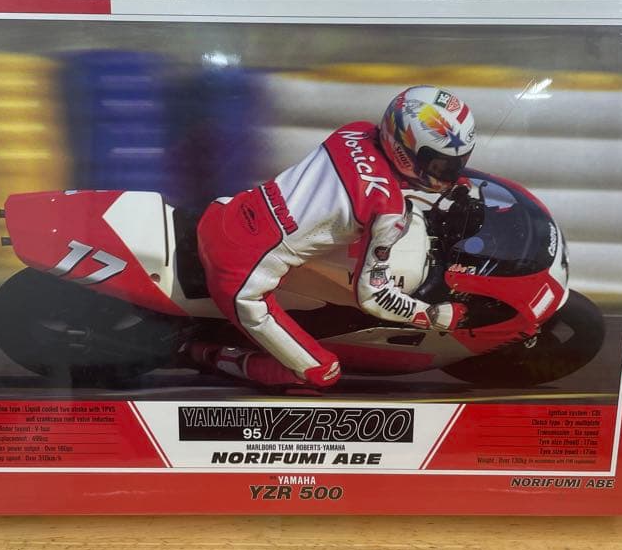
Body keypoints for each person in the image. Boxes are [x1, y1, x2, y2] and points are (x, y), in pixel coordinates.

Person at [188, 85, 478, 389]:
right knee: (323, 372)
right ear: (404, 148)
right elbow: (374, 298)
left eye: (456, 164)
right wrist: (431, 314)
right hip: (241, 275)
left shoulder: (354, 131)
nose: (446, 173)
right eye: (440, 165)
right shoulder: (387, 209)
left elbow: (364, 179)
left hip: (226, 211)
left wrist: (454, 181)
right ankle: (203, 354)